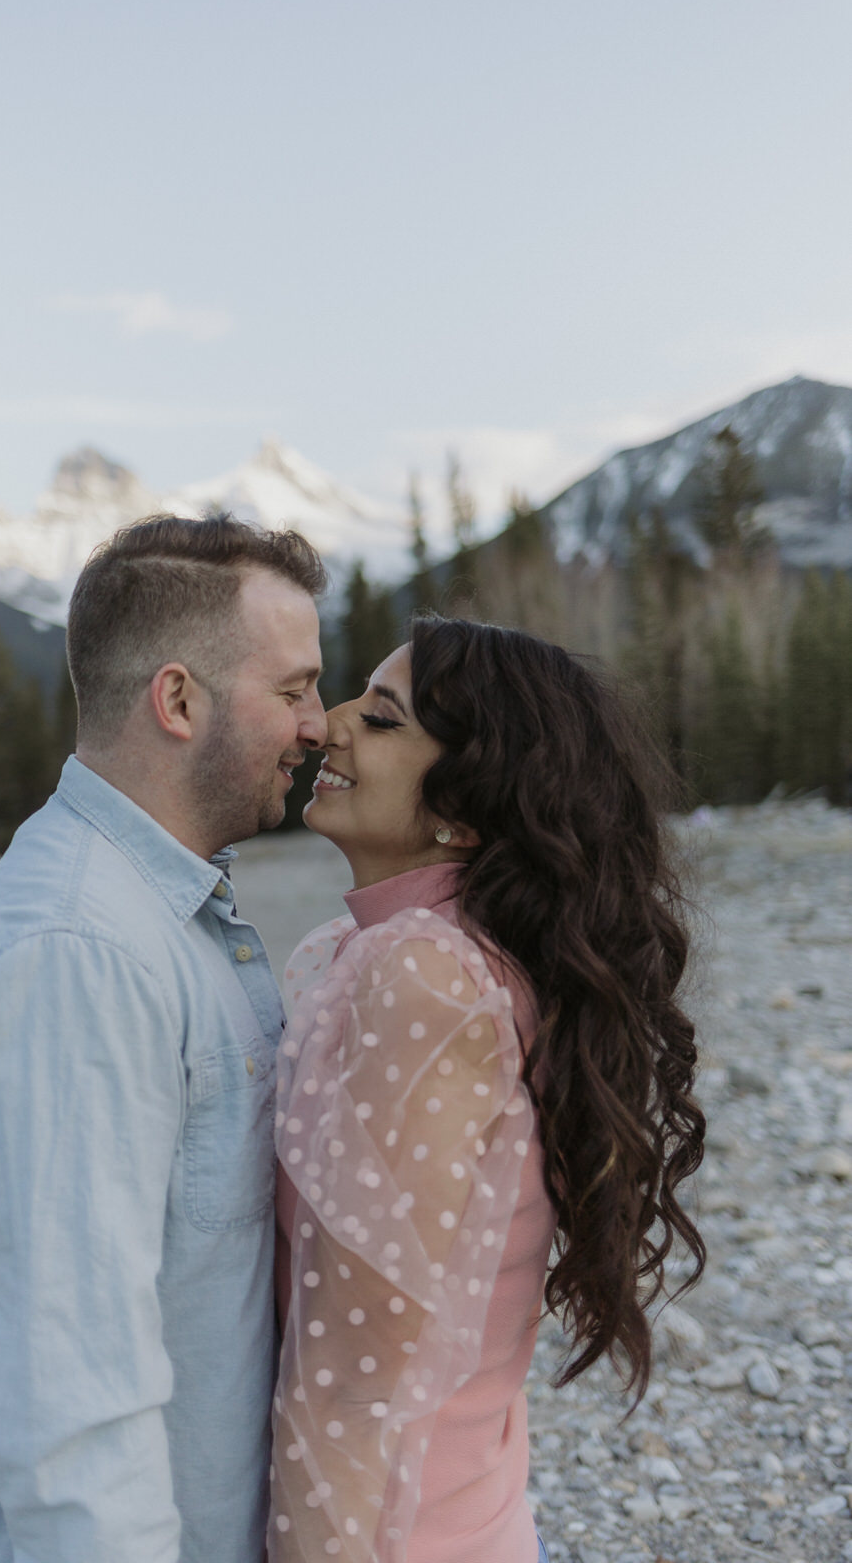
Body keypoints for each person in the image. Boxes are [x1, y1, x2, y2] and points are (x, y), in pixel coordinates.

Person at [0, 515, 327, 1563]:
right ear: (177, 700)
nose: (320, 724)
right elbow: (70, 1398)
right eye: (295, 687)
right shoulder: (80, 951)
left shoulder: (154, 915)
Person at [269, 616, 706, 1563]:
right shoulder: (473, 959)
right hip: (466, 1510)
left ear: (462, 812)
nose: (325, 723)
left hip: (394, 1534)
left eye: (381, 721)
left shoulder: (422, 978)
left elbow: (355, 1378)